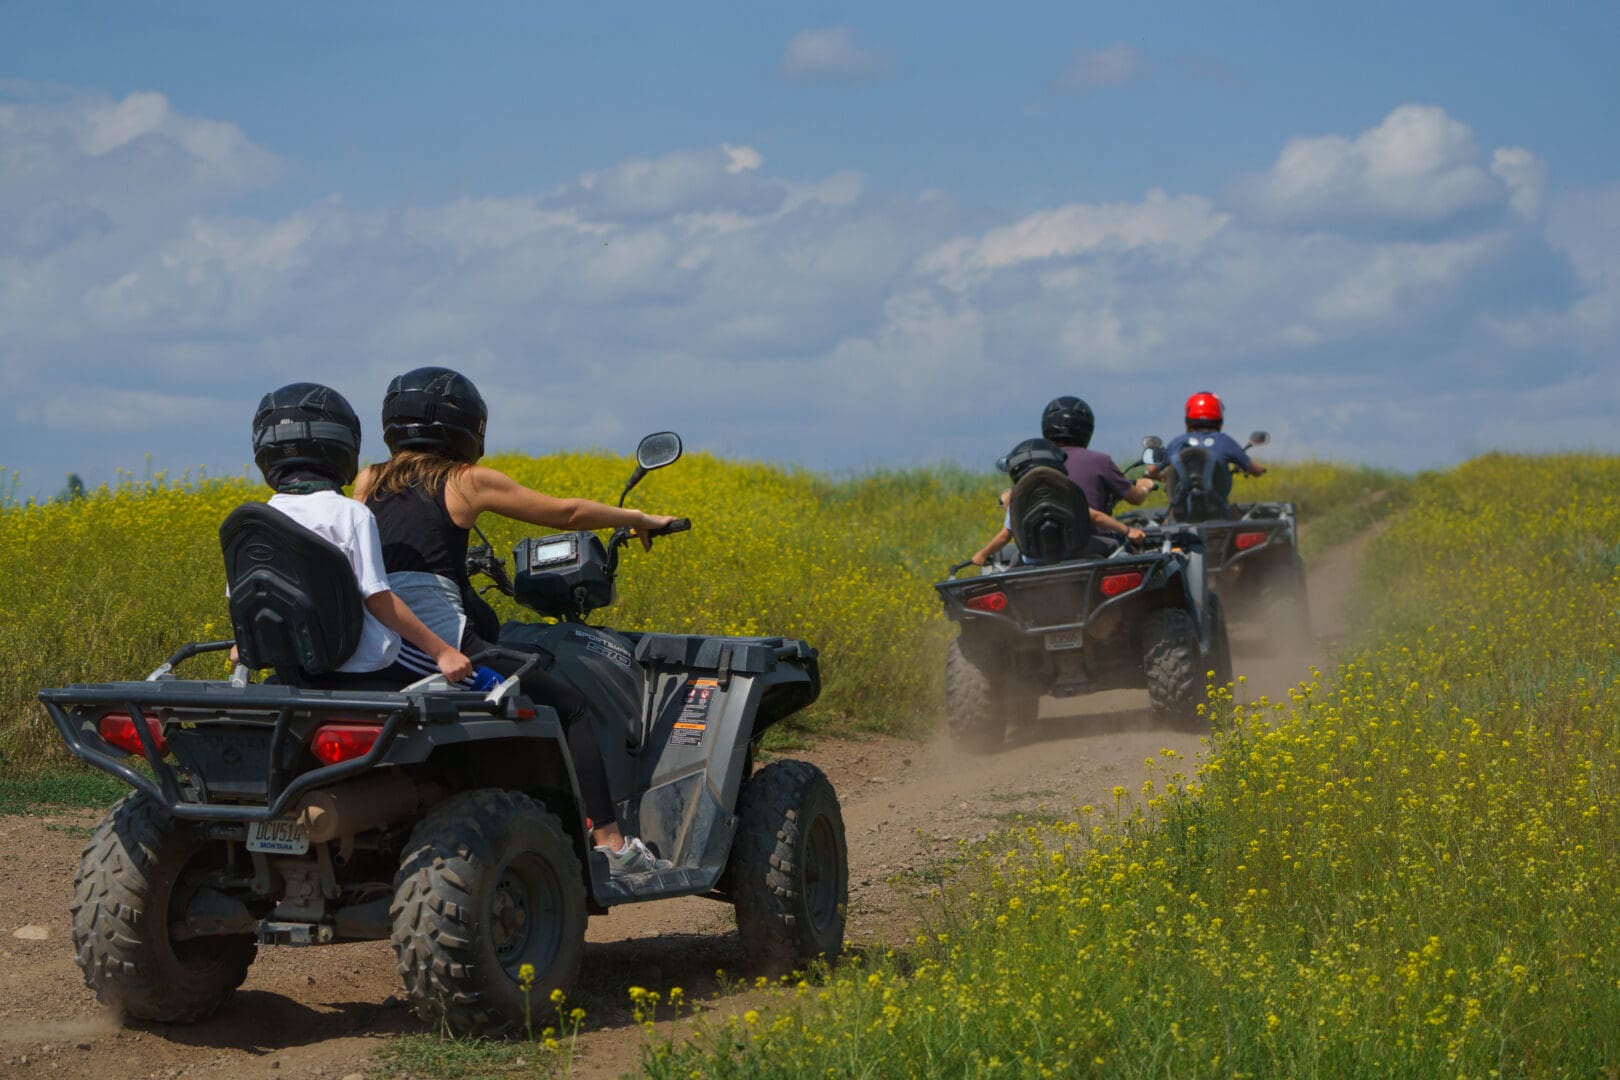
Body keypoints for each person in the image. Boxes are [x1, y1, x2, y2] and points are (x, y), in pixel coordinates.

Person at [352, 366, 678, 876]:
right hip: (447, 647)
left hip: (379, 645)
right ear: (465, 426)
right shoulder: (464, 480)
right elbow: (566, 514)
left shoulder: (370, 479)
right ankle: (612, 844)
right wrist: (638, 517)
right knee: (570, 708)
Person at [237, 382, 473, 686]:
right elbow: (378, 601)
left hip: (304, 667)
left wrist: (243, 644)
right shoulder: (351, 513)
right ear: (344, 444)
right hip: (369, 661)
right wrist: (442, 652)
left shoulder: (255, 521)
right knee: (493, 686)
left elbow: (253, 600)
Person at [969, 437, 1146, 566]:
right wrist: (1128, 531)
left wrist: (983, 554)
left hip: (1033, 559)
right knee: (1115, 545)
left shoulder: (1018, 498)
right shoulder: (1067, 492)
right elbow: (1096, 517)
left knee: (1013, 566)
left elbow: (1004, 536)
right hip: (1076, 552)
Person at [1148, 391, 1266, 517]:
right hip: (1218, 512)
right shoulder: (1225, 441)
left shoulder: (1177, 442)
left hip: (1182, 514)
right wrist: (1262, 469)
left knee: (1168, 520)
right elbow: (1255, 470)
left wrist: (1162, 476)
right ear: (1219, 418)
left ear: (1188, 418)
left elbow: (1151, 470)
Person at [1040, 396, 1155, 517]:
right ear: (1087, 429)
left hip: (1040, 535)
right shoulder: (1100, 461)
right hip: (1093, 535)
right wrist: (1145, 486)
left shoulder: (1034, 464)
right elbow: (1136, 498)